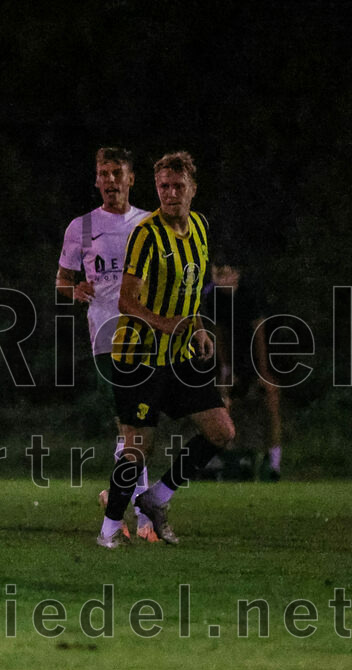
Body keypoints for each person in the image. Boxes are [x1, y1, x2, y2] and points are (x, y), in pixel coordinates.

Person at [98, 151, 236, 548]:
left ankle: (156, 499)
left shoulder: (200, 226)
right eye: (163, 187)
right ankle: (109, 529)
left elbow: (192, 289)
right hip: (138, 357)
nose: (170, 193)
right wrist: (168, 324)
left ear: (193, 189)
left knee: (221, 431)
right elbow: (127, 301)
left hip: (178, 357)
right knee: (138, 448)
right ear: (156, 188)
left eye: (178, 186)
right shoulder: (146, 235)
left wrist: (197, 328)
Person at [54, 148, 156, 541]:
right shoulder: (81, 227)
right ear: (96, 180)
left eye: (117, 173)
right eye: (104, 174)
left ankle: (118, 497)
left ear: (131, 179)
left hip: (146, 335)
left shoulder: (149, 223)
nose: (110, 180)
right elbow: (62, 281)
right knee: (131, 426)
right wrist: (75, 289)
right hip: (106, 337)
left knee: (139, 427)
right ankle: (143, 517)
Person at [202, 257, 283, 480]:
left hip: (265, 352)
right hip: (235, 355)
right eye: (215, 275)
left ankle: (274, 460)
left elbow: (260, 334)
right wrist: (226, 368)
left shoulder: (249, 294)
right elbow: (219, 333)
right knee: (224, 401)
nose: (218, 280)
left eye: (223, 274)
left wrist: (263, 371)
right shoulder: (214, 297)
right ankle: (229, 459)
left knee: (271, 398)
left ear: (235, 274)